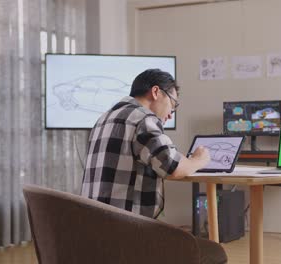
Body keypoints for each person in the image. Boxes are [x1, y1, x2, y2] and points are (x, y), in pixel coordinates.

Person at [81, 69, 227, 264]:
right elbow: (173, 167)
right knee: (213, 253)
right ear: (156, 92)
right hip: (127, 236)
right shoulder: (143, 119)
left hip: (93, 235)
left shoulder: (104, 118)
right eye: (173, 105)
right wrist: (200, 159)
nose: (170, 115)